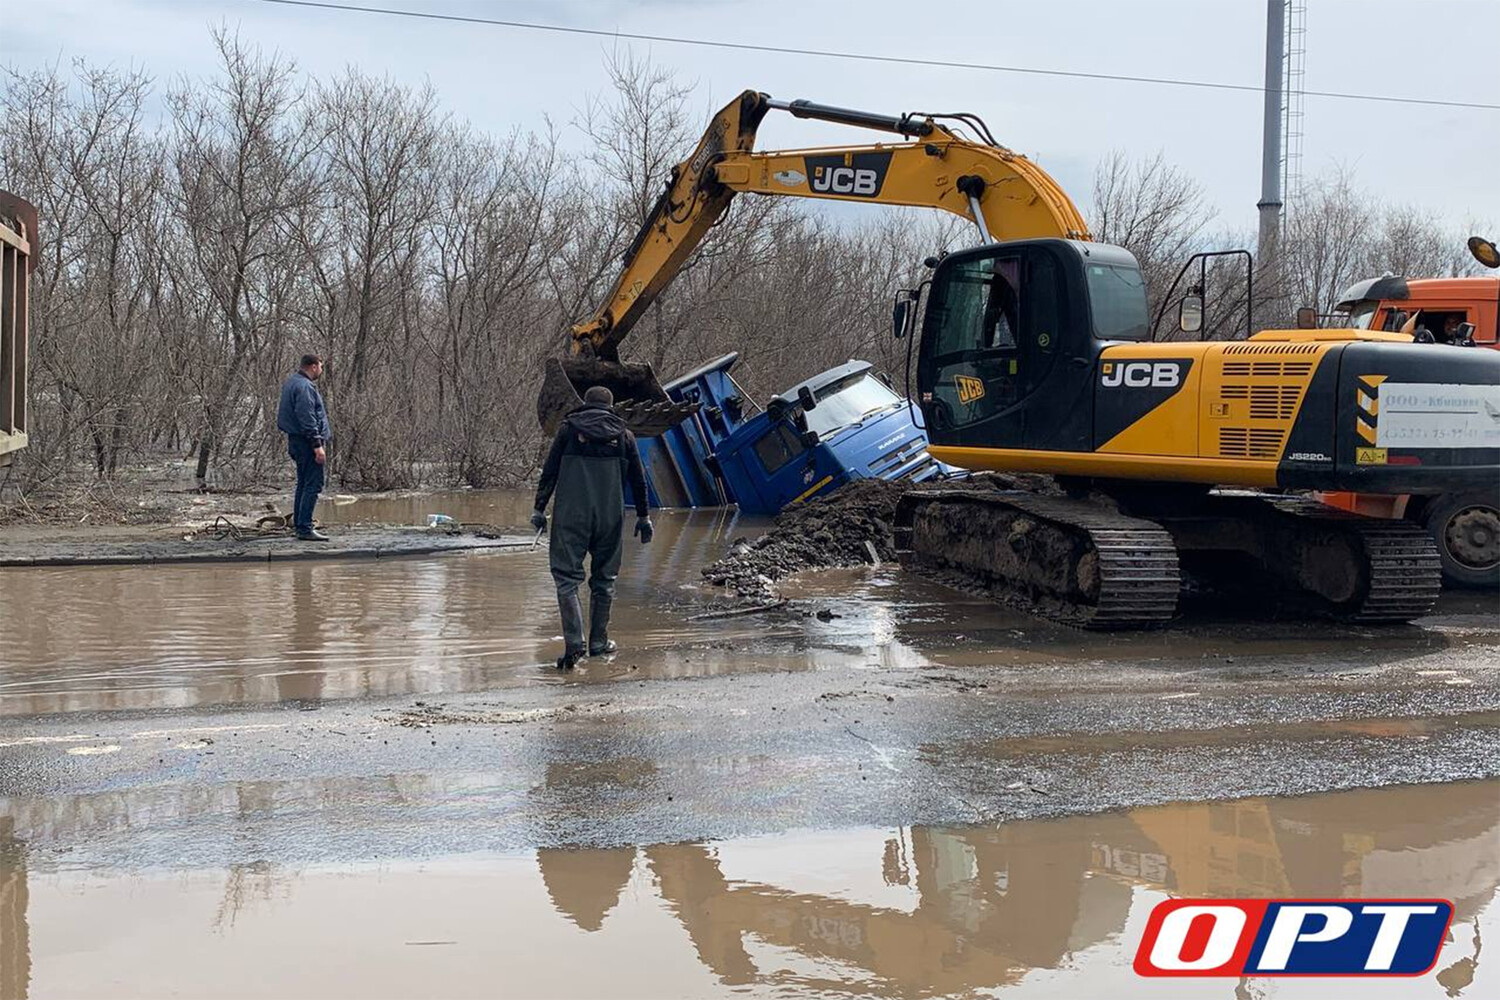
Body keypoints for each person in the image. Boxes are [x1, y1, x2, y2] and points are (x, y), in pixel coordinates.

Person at [532, 385, 652, 669]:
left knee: (566, 579)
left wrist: (539, 509)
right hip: (610, 517)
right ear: (610, 406)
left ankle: (575, 644)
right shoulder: (625, 436)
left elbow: (550, 472)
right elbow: (638, 480)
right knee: (604, 580)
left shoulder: (568, 430)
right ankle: (598, 643)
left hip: (570, 516)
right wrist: (644, 517)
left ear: (585, 404)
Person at [276, 353, 332, 542]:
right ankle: (305, 528)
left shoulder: (292, 382)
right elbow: (307, 417)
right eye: (321, 366)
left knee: (303, 483)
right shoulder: (304, 386)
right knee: (313, 484)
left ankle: (301, 525)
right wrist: (317, 445)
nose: (321, 370)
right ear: (314, 366)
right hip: (306, 442)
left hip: (297, 441)